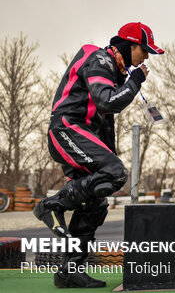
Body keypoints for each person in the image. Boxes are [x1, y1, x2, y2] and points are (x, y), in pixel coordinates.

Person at [34, 22, 164, 288]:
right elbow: (107, 101)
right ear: (129, 46)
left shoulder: (113, 71)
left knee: (97, 201)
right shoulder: (100, 59)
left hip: (81, 135)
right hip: (67, 130)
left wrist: (108, 161)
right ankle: (50, 205)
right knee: (116, 173)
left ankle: (70, 271)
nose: (147, 57)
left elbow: (105, 123)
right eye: (144, 50)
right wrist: (136, 81)